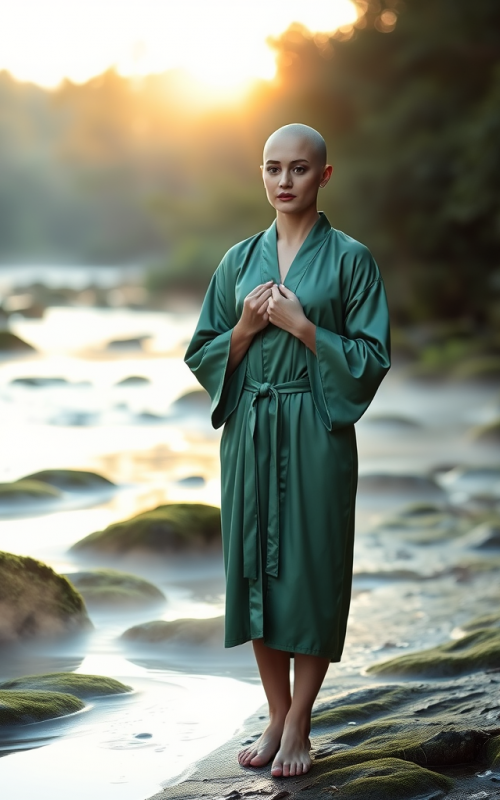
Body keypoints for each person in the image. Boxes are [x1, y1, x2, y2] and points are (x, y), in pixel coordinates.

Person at [184, 123, 390, 778]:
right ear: (262, 174)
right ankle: (274, 714)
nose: (284, 181)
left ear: (323, 176)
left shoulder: (352, 260)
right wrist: (243, 329)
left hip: (316, 428)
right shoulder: (237, 261)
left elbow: (371, 358)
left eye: (299, 169)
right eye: (273, 168)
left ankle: (301, 720)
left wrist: (305, 328)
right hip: (251, 426)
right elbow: (202, 351)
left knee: (313, 567)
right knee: (255, 572)